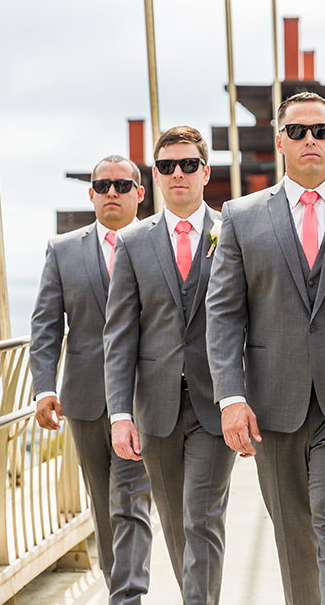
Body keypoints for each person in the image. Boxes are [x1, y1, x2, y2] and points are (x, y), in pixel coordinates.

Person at [206, 91, 325, 605]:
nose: (309, 140)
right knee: (293, 536)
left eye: (320, 131)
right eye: (298, 131)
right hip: (270, 404)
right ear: (279, 140)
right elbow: (224, 312)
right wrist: (230, 397)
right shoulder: (240, 216)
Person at [104, 126, 235, 605]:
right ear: (156, 176)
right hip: (154, 407)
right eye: (166, 166)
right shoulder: (134, 242)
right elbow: (119, 335)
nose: (177, 173)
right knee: (177, 522)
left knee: (202, 516)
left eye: (186, 164)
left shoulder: (232, 230)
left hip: (216, 403)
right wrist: (120, 413)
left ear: (206, 171)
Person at [30, 155, 152, 605]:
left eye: (122, 185)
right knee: (104, 509)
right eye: (103, 186)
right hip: (82, 400)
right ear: (91, 194)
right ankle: (119, 586)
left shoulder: (158, 241)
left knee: (132, 503)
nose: (112, 193)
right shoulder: (62, 250)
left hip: (141, 399)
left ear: (140, 193)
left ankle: (127, 598)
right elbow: (45, 325)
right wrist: (44, 388)